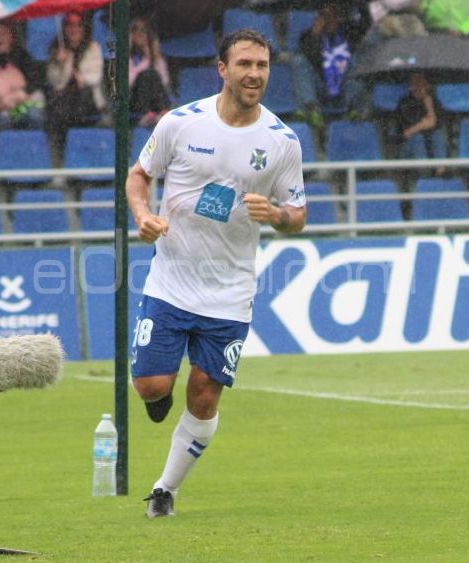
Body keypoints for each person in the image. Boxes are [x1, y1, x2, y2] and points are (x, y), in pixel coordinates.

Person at [125, 29, 307, 519]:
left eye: (262, 65)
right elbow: (139, 174)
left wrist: (277, 216)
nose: (255, 74)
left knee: (205, 393)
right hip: (171, 283)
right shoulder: (180, 124)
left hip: (230, 292)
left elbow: (298, 214)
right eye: (245, 64)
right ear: (222, 69)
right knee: (152, 387)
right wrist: (142, 216)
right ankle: (156, 395)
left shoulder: (282, 141)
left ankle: (165, 490)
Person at [290, 4, 370, 130]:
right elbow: (311, 58)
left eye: (332, 15)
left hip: (344, 85)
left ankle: (351, 108)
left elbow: (365, 26)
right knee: (298, 61)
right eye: (324, 16)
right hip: (321, 86)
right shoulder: (307, 36)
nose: (329, 20)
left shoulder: (349, 32)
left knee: (357, 60)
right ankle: (312, 109)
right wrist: (315, 36)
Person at [44, 11, 106, 167]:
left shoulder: (93, 47)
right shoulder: (57, 51)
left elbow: (94, 77)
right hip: (65, 101)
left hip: (87, 100)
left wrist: (80, 77)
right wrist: (60, 63)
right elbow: (56, 83)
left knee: (81, 94)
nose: (74, 29)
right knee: (56, 104)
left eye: (78, 25)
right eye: (70, 25)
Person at [393, 72, 447, 177]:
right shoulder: (405, 103)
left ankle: (440, 172)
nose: (418, 86)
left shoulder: (433, 101)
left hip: (430, 144)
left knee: (438, 135)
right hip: (408, 147)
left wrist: (429, 106)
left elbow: (435, 124)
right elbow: (405, 134)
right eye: (415, 83)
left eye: (422, 83)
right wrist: (421, 125)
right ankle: (425, 176)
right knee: (418, 138)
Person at [128, 16, 171, 128]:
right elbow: (129, 82)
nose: (139, 34)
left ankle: (162, 111)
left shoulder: (157, 58)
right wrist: (147, 62)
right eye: (135, 30)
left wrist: (153, 58)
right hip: (135, 99)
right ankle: (146, 113)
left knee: (152, 74)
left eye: (143, 31)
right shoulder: (129, 58)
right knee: (147, 75)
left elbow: (164, 82)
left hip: (155, 100)